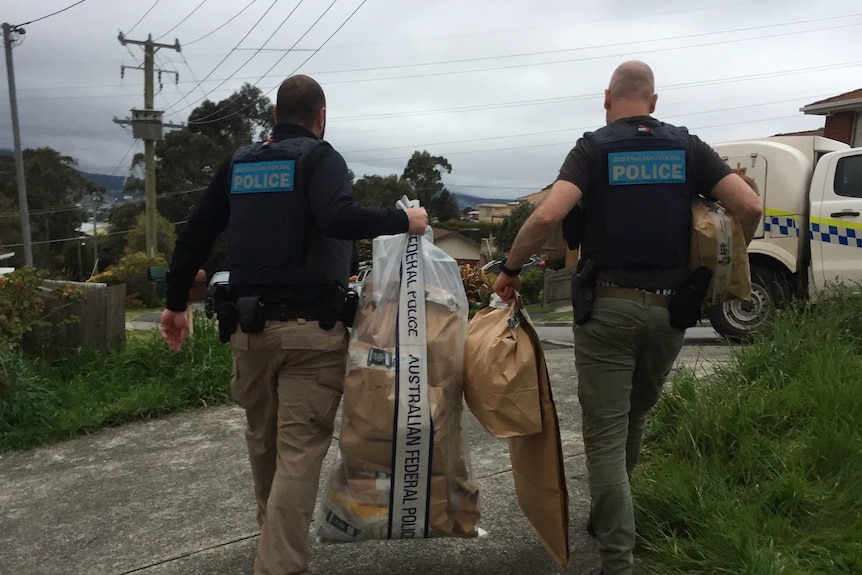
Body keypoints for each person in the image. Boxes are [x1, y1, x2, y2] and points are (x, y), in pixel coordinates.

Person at [493, 61, 762, 575]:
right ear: (654, 102)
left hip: (608, 310)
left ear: (606, 99)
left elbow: (549, 215)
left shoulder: (594, 148)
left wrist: (510, 269)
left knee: (604, 440)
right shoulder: (688, 147)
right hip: (671, 311)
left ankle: (617, 561)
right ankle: (607, 519)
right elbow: (748, 205)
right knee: (633, 420)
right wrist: (720, 264)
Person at [159, 74, 428, 575]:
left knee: (264, 445)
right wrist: (401, 220)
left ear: (276, 115)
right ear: (320, 117)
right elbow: (337, 217)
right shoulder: (321, 158)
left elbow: (194, 232)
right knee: (298, 453)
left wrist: (175, 303)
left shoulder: (239, 164)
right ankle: (277, 566)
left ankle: (273, 546)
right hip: (311, 332)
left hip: (247, 333)